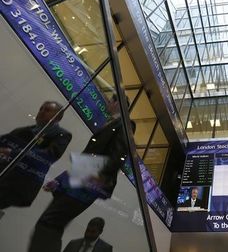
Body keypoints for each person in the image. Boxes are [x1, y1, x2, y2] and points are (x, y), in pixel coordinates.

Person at [28, 95, 135, 252]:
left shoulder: (125, 125)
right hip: (83, 182)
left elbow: (115, 160)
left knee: (49, 223)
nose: (108, 104)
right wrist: (64, 180)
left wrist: (77, 175)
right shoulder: (111, 124)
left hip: (89, 184)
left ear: (118, 103)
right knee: (51, 223)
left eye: (111, 101)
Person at [0, 101, 72, 209]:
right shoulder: (23, 131)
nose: (42, 112)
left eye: (47, 110)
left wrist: (12, 152)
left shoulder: (61, 135)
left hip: (21, 184)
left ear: (58, 117)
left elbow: (50, 155)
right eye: (41, 109)